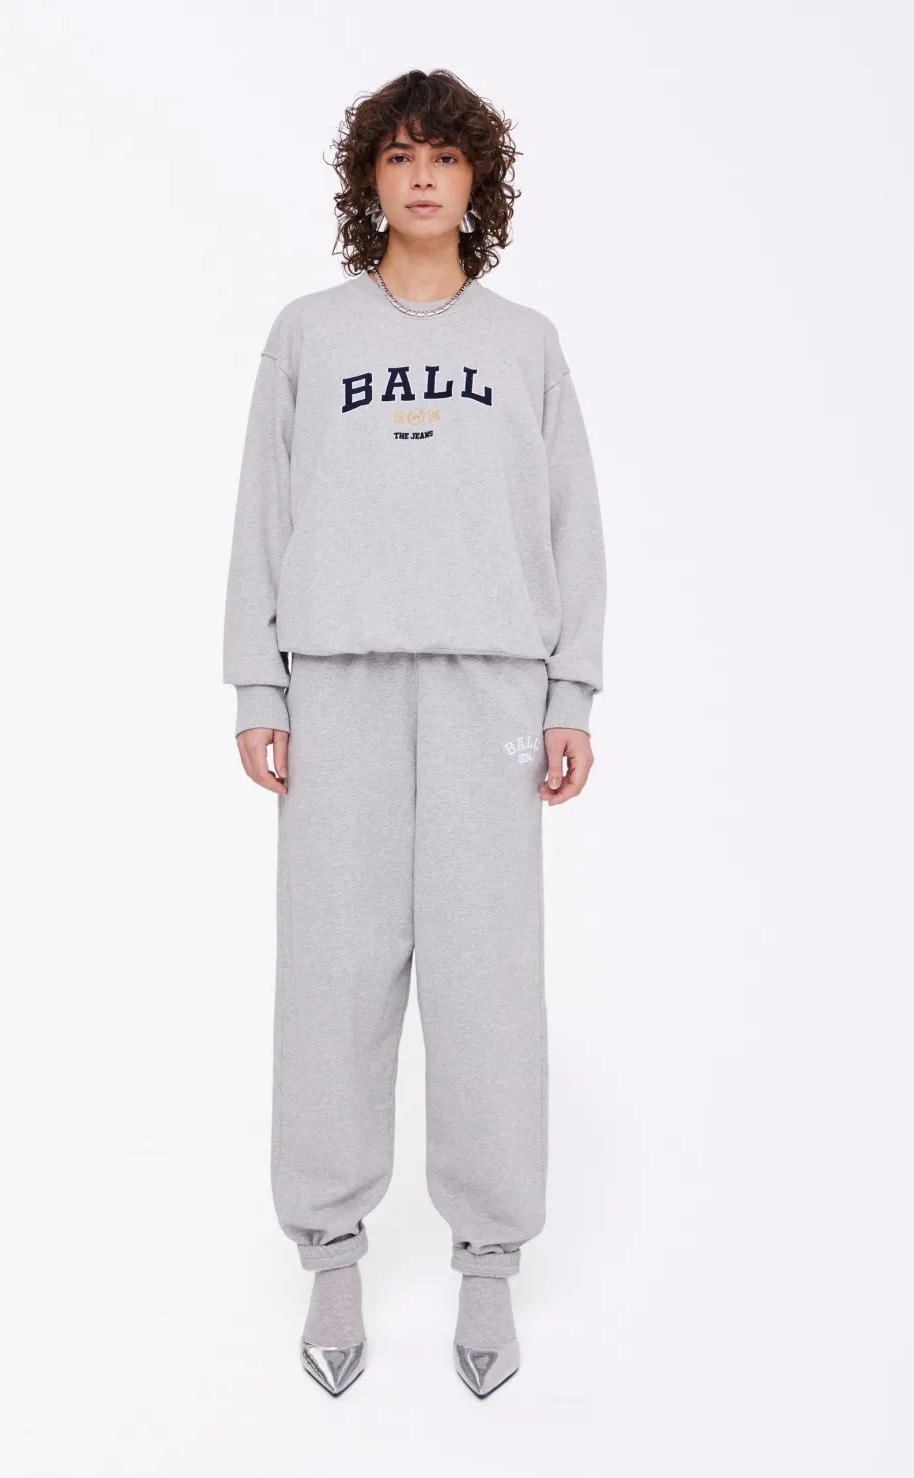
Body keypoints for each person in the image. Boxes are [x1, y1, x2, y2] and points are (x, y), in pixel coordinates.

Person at [223, 67, 606, 1398]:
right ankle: (331, 1246)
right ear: (370, 181)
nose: (423, 175)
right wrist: (258, 688)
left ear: (477, 178)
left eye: (445, 155)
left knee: (487, 972)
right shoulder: (307, 334)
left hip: (491, 688)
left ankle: (488, 1258)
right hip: (336, 688)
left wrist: (571, 692)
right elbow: (261, 515)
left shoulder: (527, 344)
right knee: (333, 970)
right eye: (399, 156)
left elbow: (573, 525)